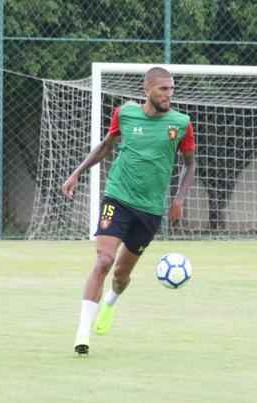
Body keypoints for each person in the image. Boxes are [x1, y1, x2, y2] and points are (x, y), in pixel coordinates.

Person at [62, 66, 196, 355]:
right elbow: (105, 148)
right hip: (117, 199)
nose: (168, 95)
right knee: (103, 260)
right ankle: (82, 332)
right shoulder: (125, 114)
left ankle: (110, 302)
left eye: (172, 89)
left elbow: (190, 164)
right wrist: (76, 173)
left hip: (149, 211)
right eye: (163, 89)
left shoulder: (181, 123)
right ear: (146, 89)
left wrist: (179, 199)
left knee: (121, 275)